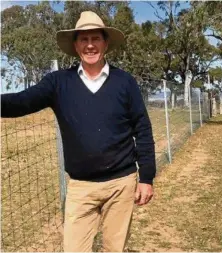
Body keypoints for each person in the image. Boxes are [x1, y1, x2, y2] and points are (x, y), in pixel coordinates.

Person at [1, 11, 156, 252]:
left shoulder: (125, 82)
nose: (90, 45)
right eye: (83, 39)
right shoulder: (58, 83)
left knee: (115, 248)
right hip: (80, 187)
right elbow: (21, 101)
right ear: (75, 45)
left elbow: (142, 129)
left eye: (96, 38)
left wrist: (146, 178)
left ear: (105, 43)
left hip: (121, 184)